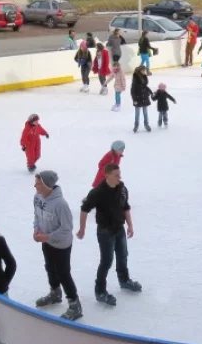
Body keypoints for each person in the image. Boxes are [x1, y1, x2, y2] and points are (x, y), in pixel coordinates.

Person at [77, 163, 141, 307]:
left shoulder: (122, 188)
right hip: (105, 231)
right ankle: (100, 291)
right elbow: (84, 209)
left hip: (119, 229)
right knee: (106, 261)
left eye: (120, 175)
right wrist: (82, 228)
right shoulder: (97, 192)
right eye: (116, 175)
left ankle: (124, 280)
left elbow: (125, 207)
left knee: (123, 255)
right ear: (107, 175)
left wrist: (130, 224)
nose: (120, 177)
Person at [32, 170, 81, 321]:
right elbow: (37, 215)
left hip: (61, 245)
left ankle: (75, 305)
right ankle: (55, 293)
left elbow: (66, 230)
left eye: (39, 183)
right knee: (49, 268)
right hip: (46, 242)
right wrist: (36, 230)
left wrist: (46, 236)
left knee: (63, 273)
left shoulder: (61, 204)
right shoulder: (37, 197)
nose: (35, 186)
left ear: (47, 185)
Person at [130, 65, 153, 133]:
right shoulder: (135, 80)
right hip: (138, 99)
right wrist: (134, 100)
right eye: (143, 70)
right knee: (137, 114)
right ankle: (136, 125)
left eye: (145, 70)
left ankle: (146, 124)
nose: (144, 71)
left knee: (145, 113)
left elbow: (145, 87)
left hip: (144, 98)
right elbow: (132, 91)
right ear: (140, 71)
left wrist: (151, 93)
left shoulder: (144, 77)